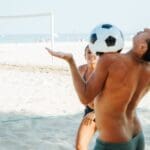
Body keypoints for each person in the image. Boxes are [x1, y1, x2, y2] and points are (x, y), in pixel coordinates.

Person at [45, 28, 150, 150]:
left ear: (142, 47)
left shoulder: (109, 61)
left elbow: (85, 97)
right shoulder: (147, 70)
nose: (145, 29)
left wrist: (70, 61)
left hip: (116, 140)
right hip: (137, 137)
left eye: (146, 32)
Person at [76, 45, 97, 150]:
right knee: (80, 146)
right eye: (89, 52)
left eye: (95, 52)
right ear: (84, 55)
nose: (92, 54)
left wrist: (96, 113)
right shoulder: (81, 70)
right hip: (90, 111)